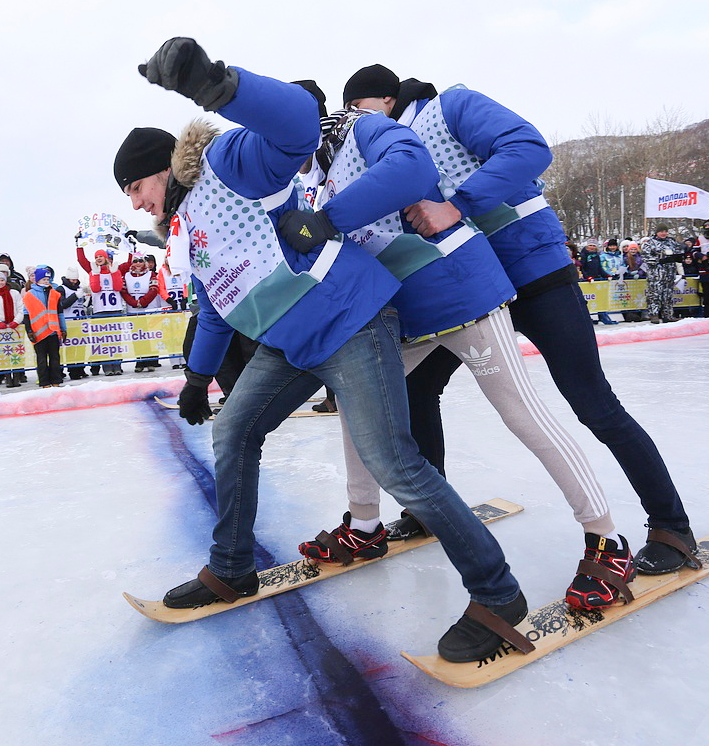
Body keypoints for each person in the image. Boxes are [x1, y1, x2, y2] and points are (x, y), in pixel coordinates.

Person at [119, 38, 530, 663]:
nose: (133, 200)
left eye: (135, 183)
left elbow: (296, 125)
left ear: (162, 167)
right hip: (293, 344)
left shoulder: (226, 164)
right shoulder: (187, 231)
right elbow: (212, 306)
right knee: (233, 430)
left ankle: (497, 595)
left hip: (351, 320)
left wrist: (218, 87)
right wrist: (198, 379)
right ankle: (230, 566)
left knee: (393, 462)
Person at [288, 99, 629, 611]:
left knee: (522, 413)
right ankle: (363, 523)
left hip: (460, 288)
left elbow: (409, 170)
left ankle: (606, 540)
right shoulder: (317, 174)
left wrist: (325, 221)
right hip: (410, 311)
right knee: (356, 403)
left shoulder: (363, 128)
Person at [356, 64, 695, 573]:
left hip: (531, 271)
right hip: (467, 288)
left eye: (357, 113)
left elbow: (529, 147)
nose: (357, 127)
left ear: (383, 100)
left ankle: (671, 525)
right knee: (417, 389)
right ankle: (428, 508)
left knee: (591, 400)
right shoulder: (386, 149)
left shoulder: (450, 106)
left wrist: (459, 205)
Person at [76, 242, 127, 375]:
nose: (98, 258)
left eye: (101, 256)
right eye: (96, 256)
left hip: (115, 309)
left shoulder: (115, 269)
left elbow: (128, 265)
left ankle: (117, 366)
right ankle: (107, 368)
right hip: (100, 311)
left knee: (116, 340)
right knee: (104, 340)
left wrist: (131, 249)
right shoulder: (92, 270)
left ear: (106, 258)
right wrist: (79, 245)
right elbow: (82, 261)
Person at [22, 266, 70, 388]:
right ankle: (44, 382)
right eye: (43, 279)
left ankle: (56, 380)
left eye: (48, 279)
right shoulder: (29, 295)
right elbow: (26, 315)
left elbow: (60, 313)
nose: (46, 281)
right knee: (41, 359)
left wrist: (63, 329)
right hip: (38, 333)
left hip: (53, 331)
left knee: (55, 358)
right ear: (37, 280)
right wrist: (29, 331)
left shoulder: (55, 294)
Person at [0, 270, 25, 388]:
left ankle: (17, 377)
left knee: (17, 351)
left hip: (15, 327)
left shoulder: (14, 293)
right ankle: (7, 377)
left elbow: (21, 308)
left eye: (2, 280)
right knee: (4, 353)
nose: (0, 283)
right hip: (0, 329)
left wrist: (16, 321)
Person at [121, 251, 159, 372]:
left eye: (140, 261)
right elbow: (123, 291)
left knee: (149, 335)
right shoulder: (126, 275)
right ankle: (140, 361)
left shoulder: (150, 274)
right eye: (135, 261)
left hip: (148, 308)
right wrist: (134, 303)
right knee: (137, 337)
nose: (138, 264)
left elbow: (154, 289)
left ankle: (150, 360)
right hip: (133, 310)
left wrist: (142, 302)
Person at [641, 225, 684, 324]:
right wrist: (660, 260)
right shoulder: (650, 243)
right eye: (661, 231)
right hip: (656, 274)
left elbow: (679, 252)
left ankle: (668, 315)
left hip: (670, 273)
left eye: (665, 231)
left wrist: (677, 258)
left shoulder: (671, 242)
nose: (663, 233)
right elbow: (645, 257)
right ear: (657, 232)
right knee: (655, 295)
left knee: (668, 295)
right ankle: (654, 315)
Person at [59, 266, 90, 380]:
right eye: (72, 279)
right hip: (69, 323)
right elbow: (62, 305)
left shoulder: (79, 288)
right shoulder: (61, 289)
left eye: (76, 279)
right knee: (71, 348)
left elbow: (82, 305)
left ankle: (80, 368)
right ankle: (72, 370)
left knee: (81, 346)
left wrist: (87, 300)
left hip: (80, 323)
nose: (74, 281)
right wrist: (75, 296)